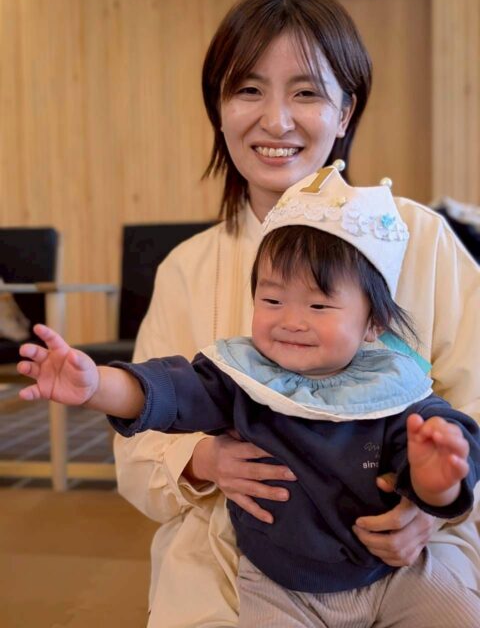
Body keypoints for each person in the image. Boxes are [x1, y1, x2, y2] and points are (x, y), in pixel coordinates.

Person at [100, 0, 480, 625]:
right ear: (219, 109)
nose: (276, 121)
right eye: (248, 90)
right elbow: (137, 456)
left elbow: (474, 406)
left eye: (306, 93)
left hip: (408, 550)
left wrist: (433, 504)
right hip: (230, 551)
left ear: (345, 110)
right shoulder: (187, 268)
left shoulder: (422, 239)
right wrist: (203, 460)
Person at [17, 167, 480, 627]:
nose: (291, 321)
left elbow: (442, 449)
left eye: (319, 305)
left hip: (394, 573)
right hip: (281, 584)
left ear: (373, 323)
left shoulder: (391, 383)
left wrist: (435, 481)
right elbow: (166, 390)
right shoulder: (242, 376)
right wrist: (97, 386)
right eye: (272, 300)